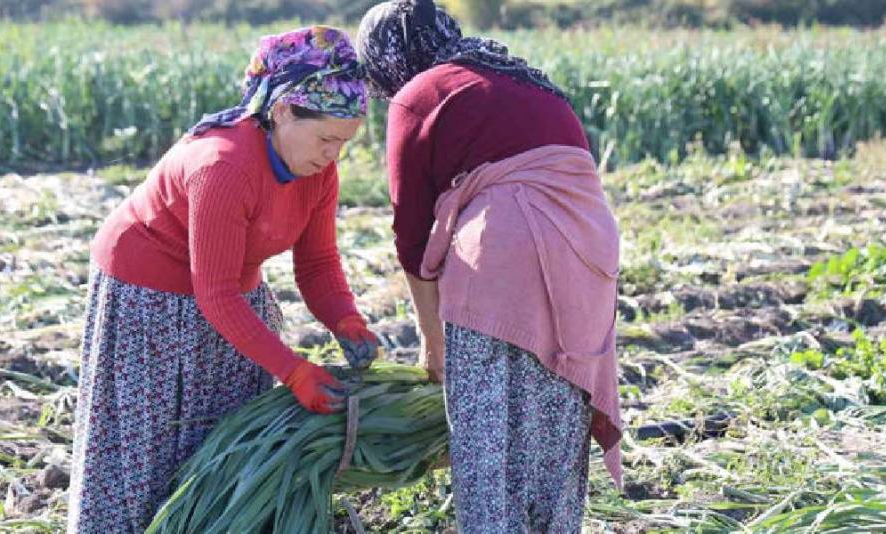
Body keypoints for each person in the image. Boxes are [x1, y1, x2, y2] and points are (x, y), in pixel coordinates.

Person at [67, 25, 380, 533]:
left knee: (224, 436)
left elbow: (318, 263)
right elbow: (214, 293)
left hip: (230, 290)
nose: (332, 154)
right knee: (152, 444)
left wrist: (346, 320)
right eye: (325, 138)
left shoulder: (318, 170)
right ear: (282, 111)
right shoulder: (225, 165)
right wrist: (294, 371)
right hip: (150, 293)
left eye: (343, 143)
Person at [356, 2, 624, 532]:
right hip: (588, 253)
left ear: (386, 59)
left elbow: (411, 238)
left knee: (488, 436)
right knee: (554, 423)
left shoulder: (419, 96)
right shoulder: (523, 77)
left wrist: (434, 346)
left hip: (501, 254)